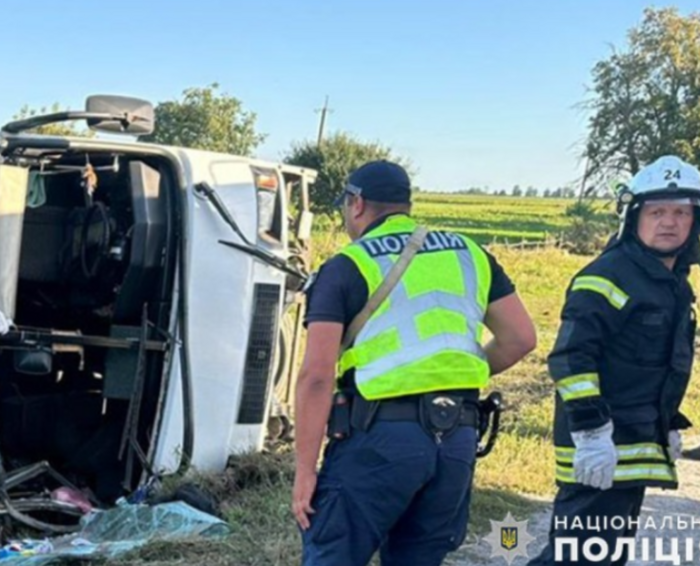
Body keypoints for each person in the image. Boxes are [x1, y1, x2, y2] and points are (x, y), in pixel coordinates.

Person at [292, 160, 537, 566]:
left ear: (356, 203)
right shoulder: (470, 253)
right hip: (456, 437)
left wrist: (304, 469)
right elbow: (521, 338)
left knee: (333, 554)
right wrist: (453, 375)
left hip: (378, 439)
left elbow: (316, 377)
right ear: (405, 205)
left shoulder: (346, 266)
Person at [528, 155, 700, 566]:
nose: (669, 222)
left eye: (681, 213)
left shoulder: (671, 283)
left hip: (629, 446)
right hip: (600, 450)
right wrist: (591, 433)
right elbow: (571, 357)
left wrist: (668, 423)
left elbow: (652, 366)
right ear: (633, 216)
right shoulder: (609, 275)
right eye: (657, 211)